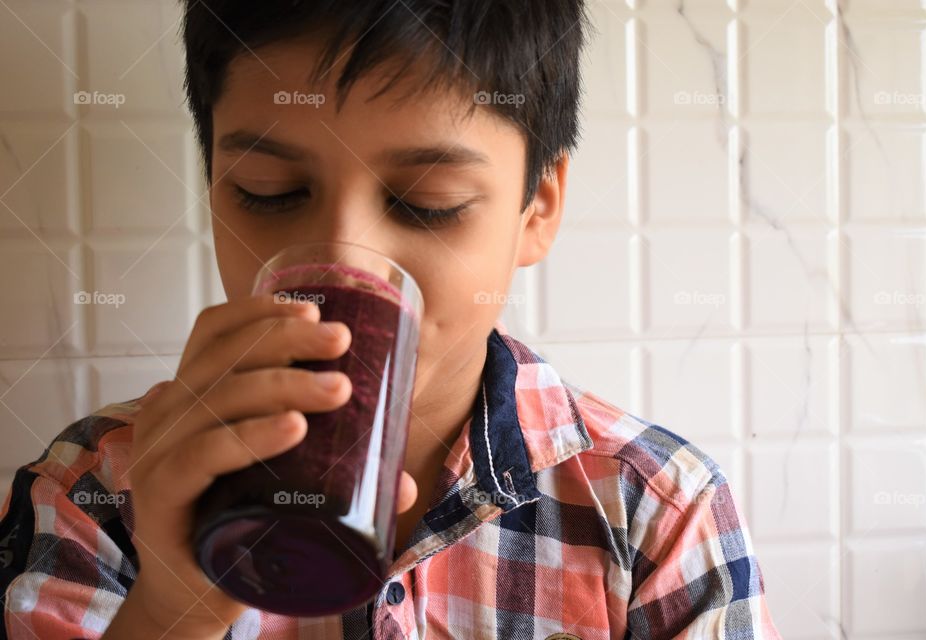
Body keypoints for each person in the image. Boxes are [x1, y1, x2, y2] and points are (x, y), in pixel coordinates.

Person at [0, 1, 782, 638]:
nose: (347, 263)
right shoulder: (95, 493)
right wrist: (173, 610)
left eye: (426, 204)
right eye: (269, 192)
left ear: (536, 207)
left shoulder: (655, 512)